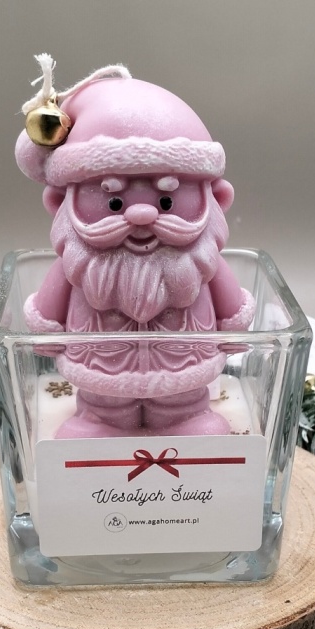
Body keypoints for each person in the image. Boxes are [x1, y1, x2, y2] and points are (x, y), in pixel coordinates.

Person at [16, 71, 255, 438]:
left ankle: (185, 418)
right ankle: (100, 420)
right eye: (113, 202)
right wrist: (48, 333)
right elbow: (48, 312)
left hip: (184, 368)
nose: (141, 215)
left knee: (184, 401)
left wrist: (233, 330)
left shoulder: (203, 262)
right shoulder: (76, 266)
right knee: (103, 402)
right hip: (101, 369)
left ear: (218, 199)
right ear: (59, 203)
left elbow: (231, 307)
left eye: (166, 201)